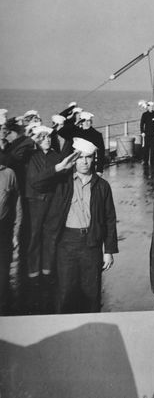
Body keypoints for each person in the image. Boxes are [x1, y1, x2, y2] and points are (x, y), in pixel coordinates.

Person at [42, 137, 118, 313]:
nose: (84, 161)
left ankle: (92, 326)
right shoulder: (62, 181)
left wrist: (109, 251)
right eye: (80, 157)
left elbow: (109, 219)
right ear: (74, 159)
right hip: (66, 242)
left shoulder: (102, 186)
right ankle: (66, 327)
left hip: (92, 243)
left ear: (94, 158)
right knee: (65, 292)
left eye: (88, 157)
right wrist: (60, 167)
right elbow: (36, 183)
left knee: (92, 294)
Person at [24, 125, 62, 291]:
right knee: (35, 236)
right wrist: (30, 138)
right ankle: (33, 273)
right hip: (36, 201)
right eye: (43, 137)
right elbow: (36, 181)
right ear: (37, 139)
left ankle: (47, 271)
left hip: (52, 200)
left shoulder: (55, 156)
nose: (47, 140)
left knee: (50, 235)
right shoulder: (30, 155)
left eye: (49, 137)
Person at [0, 159, 21, 314]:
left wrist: (16, 232)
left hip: (3, 231)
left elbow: (18, 205)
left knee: (2, 277)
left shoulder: (9, 174)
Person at [140, 101, 154, 165]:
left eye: (152, 106)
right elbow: (142, 124)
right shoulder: (144, 114)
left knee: (153, 148)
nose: (151, 107)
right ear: (148, 107)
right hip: (146, 134)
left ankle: (152, 161)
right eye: (149, 106)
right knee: (146, 148)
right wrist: (142, 132)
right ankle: (145, 161)